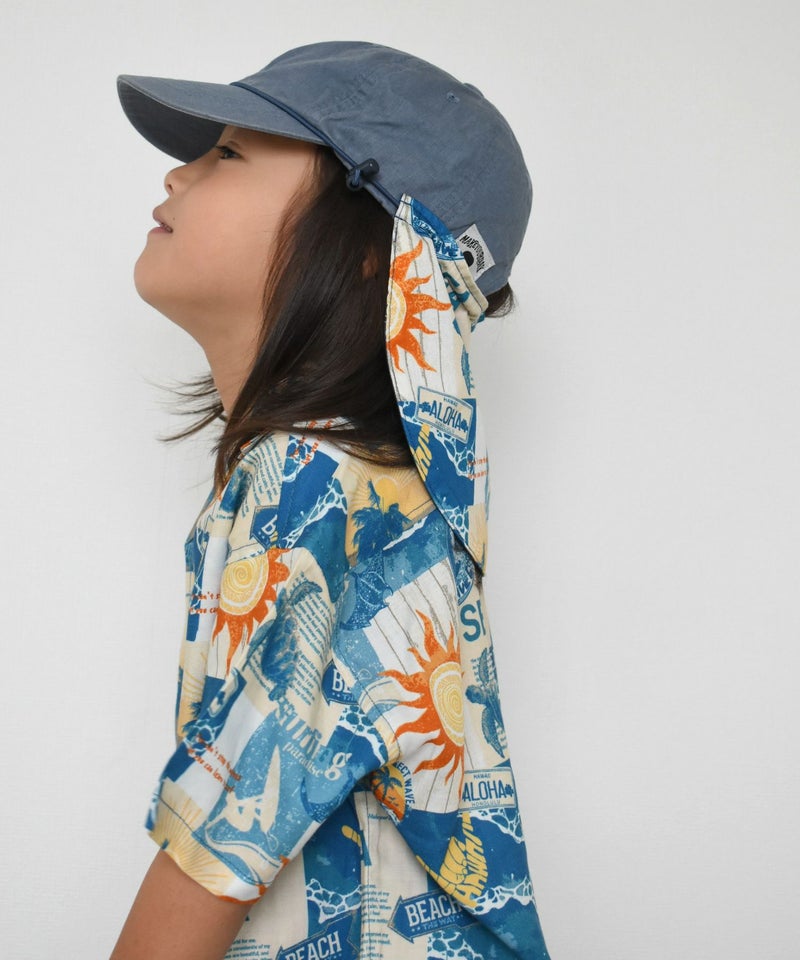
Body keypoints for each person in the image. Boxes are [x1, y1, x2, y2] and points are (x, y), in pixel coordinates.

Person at [111, 40, 551, 960]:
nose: (178, 173)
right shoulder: (357, 482)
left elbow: (217, 851)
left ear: (369, 253)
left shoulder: (314, 483)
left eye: (229, 153)